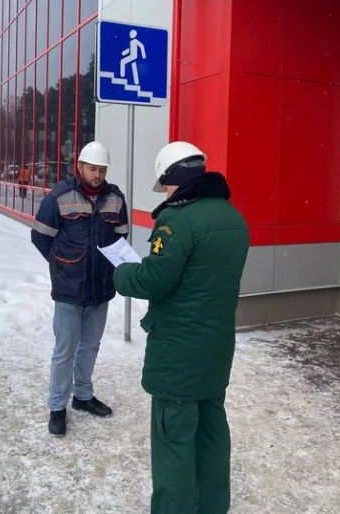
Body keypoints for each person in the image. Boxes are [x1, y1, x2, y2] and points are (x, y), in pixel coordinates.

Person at [113, 141, 249, 514]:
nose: (167, 193)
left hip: (178, 354)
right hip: (216, 350)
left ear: (172, 178)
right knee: (211, 435)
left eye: (166, 185)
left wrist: (123, 273)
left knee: (174, 442)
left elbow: (155, 280)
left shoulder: (177, 220)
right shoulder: (233, 218)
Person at [31, 141, 129, 437]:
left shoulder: (115, 199)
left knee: (91, 345)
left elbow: (121, 239)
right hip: (69, 288)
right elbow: (40, 237)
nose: (97, 174)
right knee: (65, 349)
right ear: (80, 167)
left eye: (102, 169)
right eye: (92, 169)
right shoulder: (60, 196)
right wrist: (62, 264)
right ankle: (57, 406)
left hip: (100, 287)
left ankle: (83, 396)